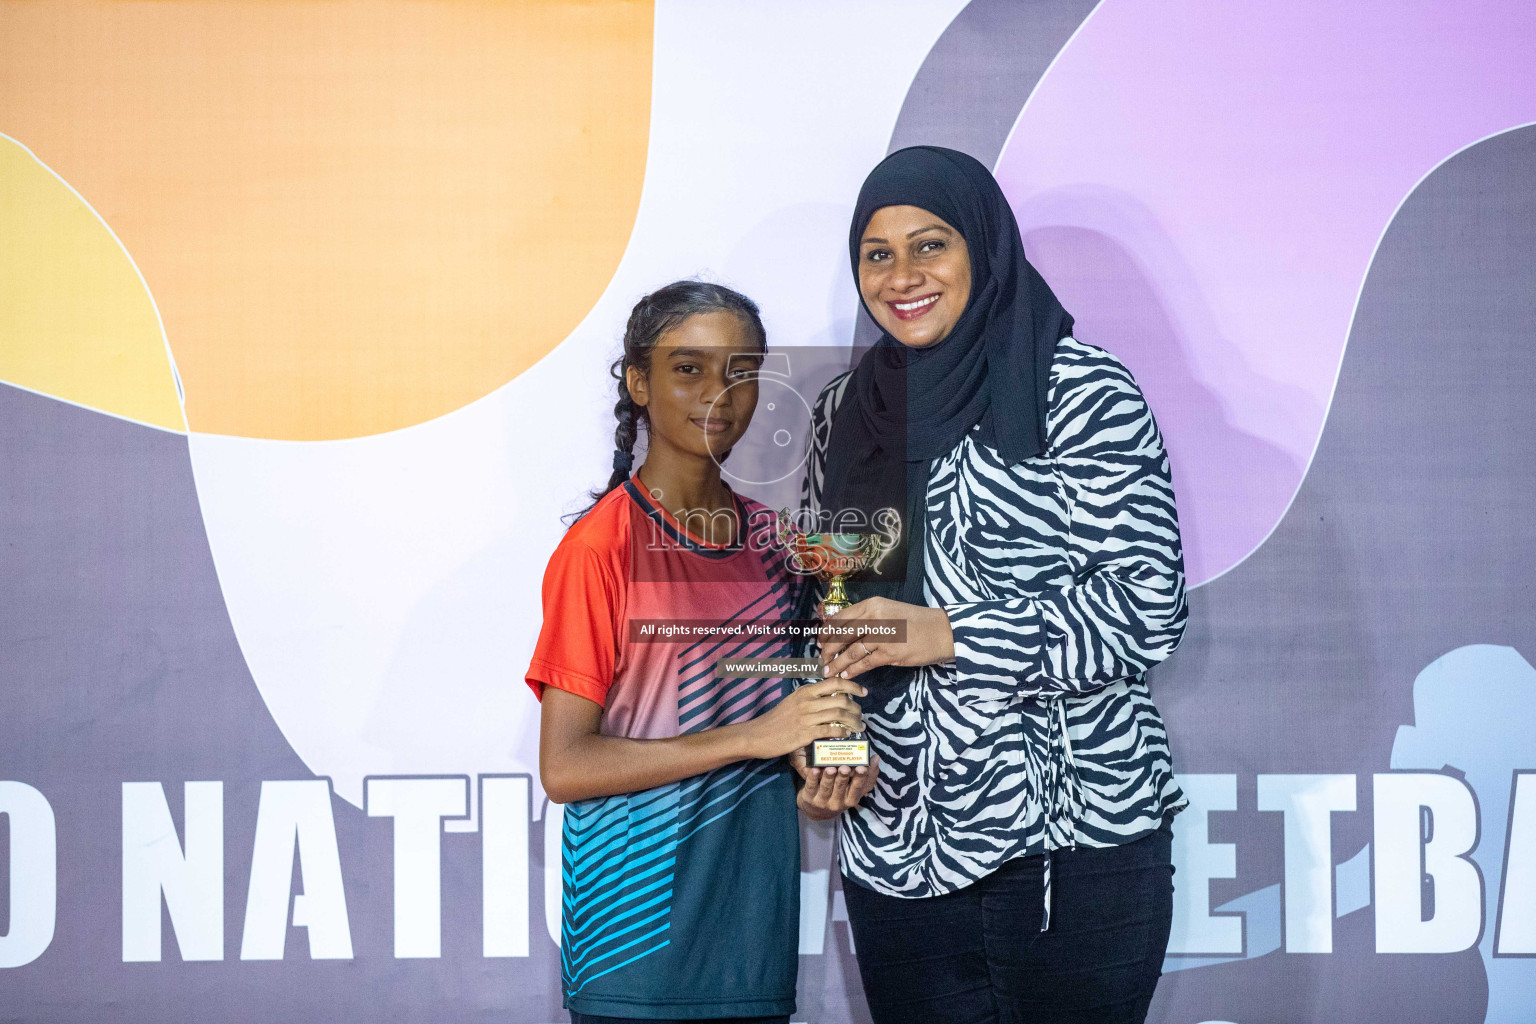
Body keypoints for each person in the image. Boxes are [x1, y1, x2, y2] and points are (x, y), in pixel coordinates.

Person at [800, 147, 1189, 1024]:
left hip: (1072, 845)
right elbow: (824, 611)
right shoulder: (842, 415)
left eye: (929, 245)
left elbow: (1149, 607)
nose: (903, 276)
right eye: (878, 254)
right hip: (896, 845)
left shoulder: (1082, 393)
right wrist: (829, 746)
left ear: (983, 247)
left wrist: (951, 631)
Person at [526, 280, 877, 1024]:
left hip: (753, 939)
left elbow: (805, 710)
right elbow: (567, 766)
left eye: (742, 371)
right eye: (689, 368)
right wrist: (756, 738)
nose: (720, 394)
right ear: (638, 381)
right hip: (634, 948)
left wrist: (830, 765)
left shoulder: (782, 546)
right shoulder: (600, 548)